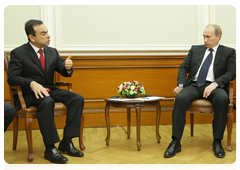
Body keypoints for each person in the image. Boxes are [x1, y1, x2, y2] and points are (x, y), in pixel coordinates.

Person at [7, 19, 84, 164]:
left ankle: (66, 142)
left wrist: (67, 68)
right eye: (43, 33)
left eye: (47, 32)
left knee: (77, 98)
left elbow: (63, 71)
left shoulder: (52, 51)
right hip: (29, 94)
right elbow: (12, 78)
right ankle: (50, 148)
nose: (48, 35)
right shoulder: (19, 53)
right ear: (32, 37)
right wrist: (31, 83)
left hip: (50, 90)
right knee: (46, 101)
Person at [164, 24, 236, 158]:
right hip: (194, 85)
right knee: (180, 98)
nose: (205, 40)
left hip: (215, 87)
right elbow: (183, 68)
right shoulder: (195, 49)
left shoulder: (228, 52)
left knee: (222, 99)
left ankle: (217, 141)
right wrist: (180, 85)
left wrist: (215, 84)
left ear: (218, 37)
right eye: (204, 36)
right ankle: (175, 141)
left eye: (209, 37)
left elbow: (231, 73)